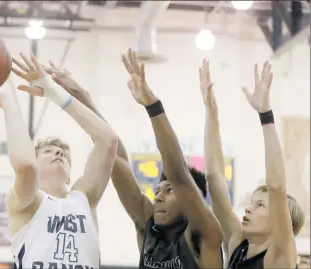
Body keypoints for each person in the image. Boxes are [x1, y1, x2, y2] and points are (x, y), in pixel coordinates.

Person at [43, 49, 224, 269]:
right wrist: (81, 97)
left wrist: (153, 106)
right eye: (158, 191)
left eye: (170, 192)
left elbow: (179, 174)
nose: (158, 197)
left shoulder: (204, 234)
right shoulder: (149, 224)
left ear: (191, 199)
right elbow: (113, 152)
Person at [0, 53, 118, 269]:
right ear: (36, 162)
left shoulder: (84, 198)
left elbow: (108, 140)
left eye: (63, 154)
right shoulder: (26, 201)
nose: (58, 154)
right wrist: (6, 102)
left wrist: (53, 92)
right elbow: (26, 167)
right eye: (48, 151)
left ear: (69, 175)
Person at [200, 59, 305, 269]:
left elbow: (277, 186)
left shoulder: (280, 256)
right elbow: (214, 176)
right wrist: (211, 111)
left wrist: (265, 115)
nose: (248, 209)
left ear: (281, 221)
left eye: (260, 206)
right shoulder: (237, 242)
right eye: (252, 203)